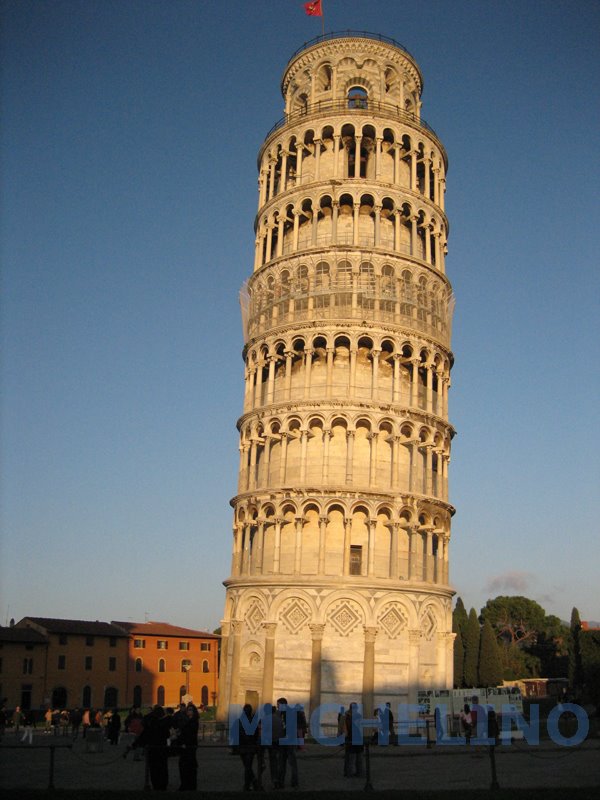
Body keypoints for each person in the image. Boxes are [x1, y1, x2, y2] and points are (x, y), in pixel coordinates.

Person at [131, 705, 172, 790]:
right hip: (162, 749)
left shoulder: (150, 723)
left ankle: (157, 786)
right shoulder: (163, 724)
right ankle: (163, 786)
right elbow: (167, 734)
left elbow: (144, 736)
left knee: (154, 769)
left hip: (152, 750)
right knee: (163, 768)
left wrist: (134, 745)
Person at [236, 703, 260, 791]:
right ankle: (252, 783)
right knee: (248, 766)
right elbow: (257, 735)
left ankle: (249, 784)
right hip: (251, 747)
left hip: (243, 747)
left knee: (247, 767)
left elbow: (237, 734)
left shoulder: (240, 721)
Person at [276, 697, 298, 789]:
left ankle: (293, 781)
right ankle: (285, 782)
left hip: (288, 741)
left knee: (289, 763)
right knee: (283, 762)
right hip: (285, 740)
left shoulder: (288, 713)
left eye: (278, 705)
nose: (277, 707)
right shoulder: (283, 713)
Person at [176, 703, 199, 791]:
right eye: (188, 709)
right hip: (186, 745)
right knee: (185, 765)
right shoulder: (187, 720)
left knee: (189, 765)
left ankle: (189, 785)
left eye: (190, 710)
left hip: (189, 746)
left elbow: (191, 734)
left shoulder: (193, 721)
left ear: (193, 712)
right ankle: (186, 784)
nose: (188, 711)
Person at [344, 702, 363, 777]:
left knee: (359, 757)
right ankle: (350, 772)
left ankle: (359, 772)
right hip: (351, 738)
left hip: (357, 738)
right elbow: (347, 728)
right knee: (351, 757)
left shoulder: (357, 716)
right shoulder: (347, 716)